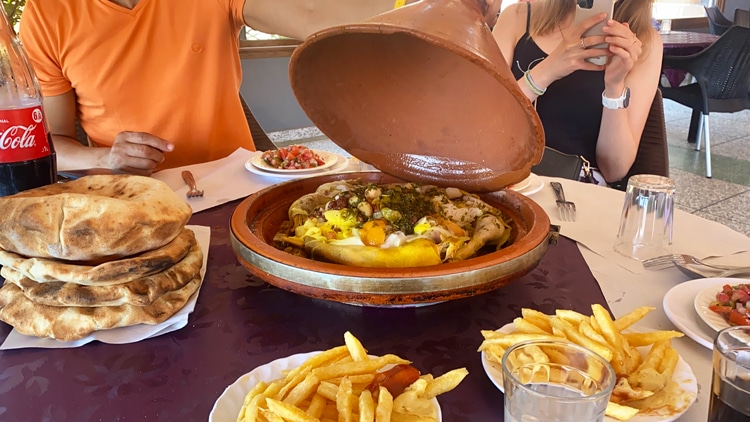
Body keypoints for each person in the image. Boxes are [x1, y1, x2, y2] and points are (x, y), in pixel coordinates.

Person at [21, 0, 500, 175]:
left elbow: (313, 14)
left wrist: (426, 5)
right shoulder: (46, 13)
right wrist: (105, 158)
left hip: (235, 184)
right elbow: (52, 145)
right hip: (131, 197)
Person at [492, 0, 663, 184]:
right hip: (505, 176)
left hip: (575, 194)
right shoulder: (517, 16)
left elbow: (614, 170)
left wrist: (614, 87)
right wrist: (547, 71)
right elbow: (482, 127)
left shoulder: (644, 42)